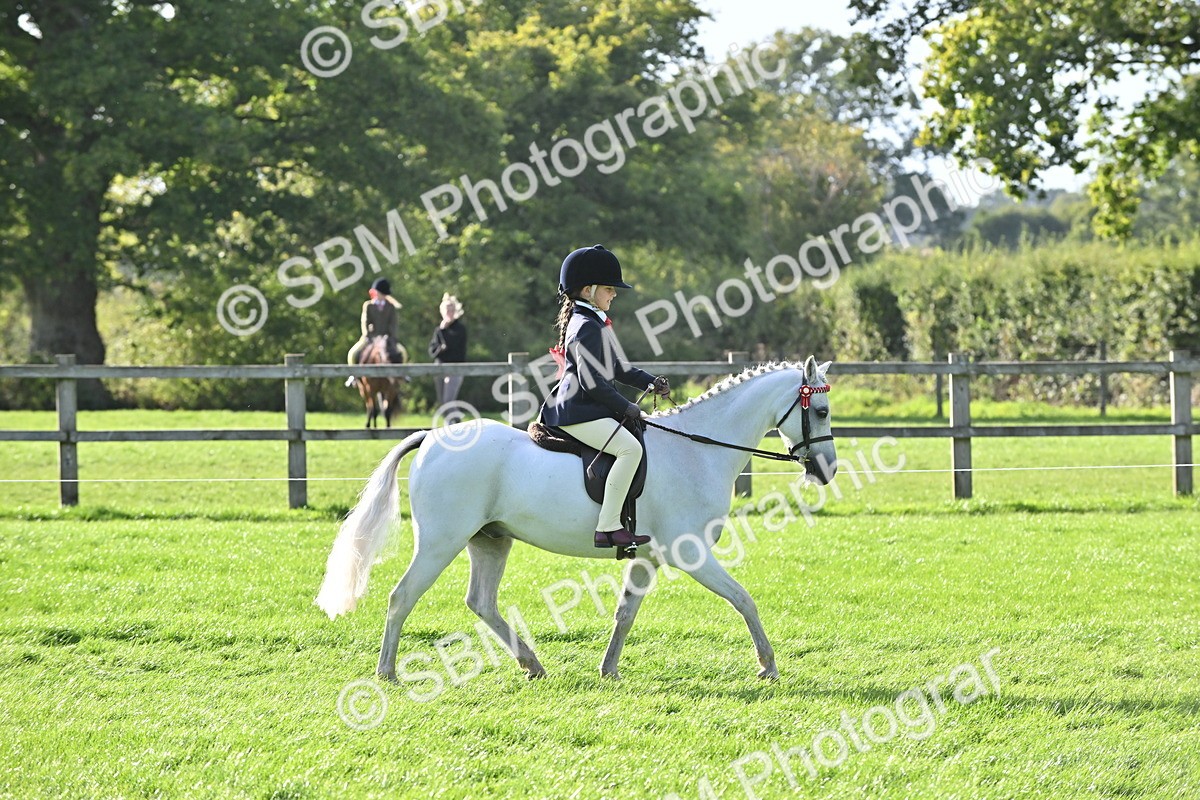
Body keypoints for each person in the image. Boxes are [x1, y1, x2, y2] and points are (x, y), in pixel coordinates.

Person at [538, 245, 670, 550]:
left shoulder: (592, 321)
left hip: (584, 406)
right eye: (609, 288)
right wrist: (626, 407)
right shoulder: (586, 327)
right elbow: (592, 383)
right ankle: (608, 526)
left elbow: (618, 368)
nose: (614, 294)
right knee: (630, 450)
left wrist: (651, 382)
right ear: (588, 290)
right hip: (576, 409)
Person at [345, 278, 404, 387]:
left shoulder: (390, 307)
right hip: (370, 337)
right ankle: (353, 375)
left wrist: (392, 337)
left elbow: (393, 323)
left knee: (403, 352)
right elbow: (365, 322)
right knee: (353, 353)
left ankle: (403, 374)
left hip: (387, 338)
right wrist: (367, 335)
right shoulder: (368, 305)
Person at [428, 293, 467, 408]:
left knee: (448, 401)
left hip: (456, 368)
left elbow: (453, 345)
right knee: (442, 403)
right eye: (446, 309)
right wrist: (440, 348)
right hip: (440, 367)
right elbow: (432, 350)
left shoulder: (460, 329)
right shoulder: (438, 330)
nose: (449, 312)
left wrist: (443, 331)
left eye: (451, 309)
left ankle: (454, 423)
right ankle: (454, 422)